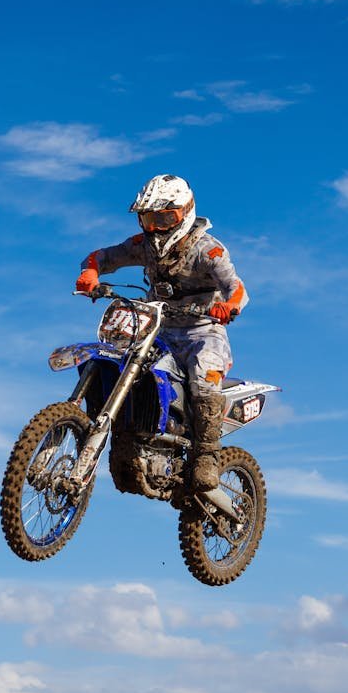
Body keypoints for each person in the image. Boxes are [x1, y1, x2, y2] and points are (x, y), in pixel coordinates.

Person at [75, 174, 248, 491]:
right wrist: (91, 271)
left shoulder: (208, 251)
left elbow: (236, 288)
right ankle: (124, 444)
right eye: (149, 219)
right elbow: (103, 256)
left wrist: (229, 307)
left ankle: (206, 458)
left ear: (185, 212)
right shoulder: (145, 247)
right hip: (158, 327)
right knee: (124, 363)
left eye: (165, 217)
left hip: (204, 330)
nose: (156, 227)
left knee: (203, 379)